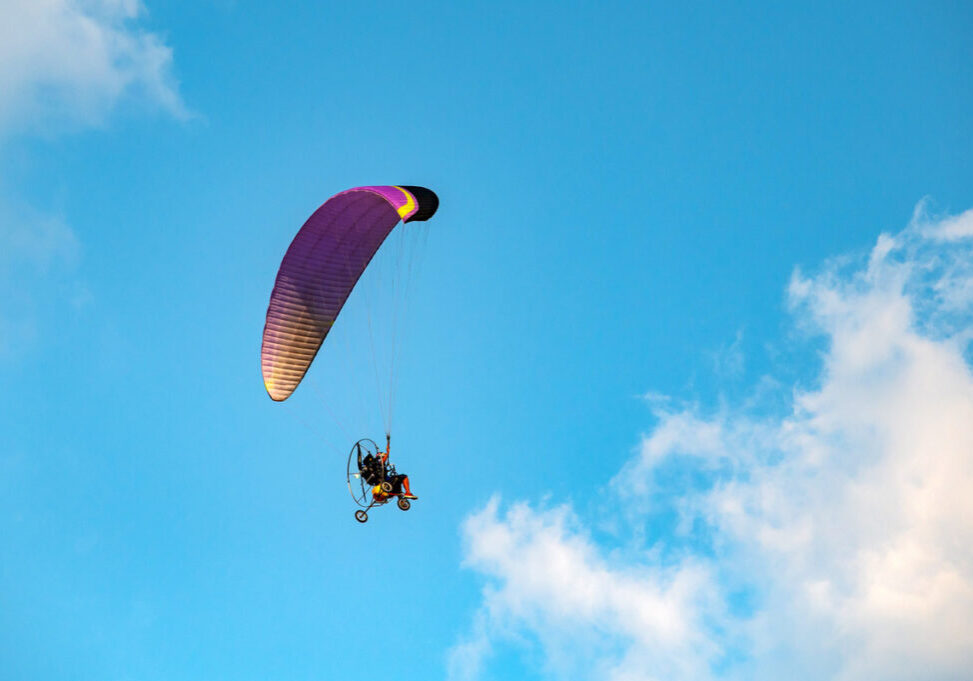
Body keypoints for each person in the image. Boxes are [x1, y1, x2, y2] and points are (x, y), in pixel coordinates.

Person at [377, 435, 417, 499]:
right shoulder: (379, 464)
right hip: (387, 483)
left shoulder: (377, 468)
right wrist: (387, 452)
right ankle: (408, 492)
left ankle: (401, 498)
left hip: (387, 486)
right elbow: (383, 460)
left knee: (397, 481)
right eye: (383, 456)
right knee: (404, 477)